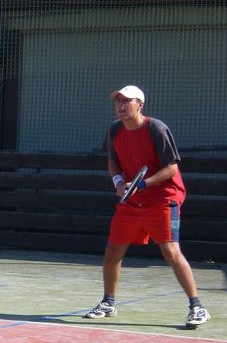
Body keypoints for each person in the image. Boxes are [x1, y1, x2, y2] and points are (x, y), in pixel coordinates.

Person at [85, 85, 210, 328]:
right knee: (113, 251)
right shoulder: (114, 129)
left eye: (127, 101)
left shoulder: (156, 129)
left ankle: (197, 307)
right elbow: (113, 160)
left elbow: (171, 168)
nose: (121, 105)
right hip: (132, 200)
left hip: (163, 197)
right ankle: (108, 302)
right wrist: (118, 181)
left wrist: (143, 183)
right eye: (118, 101)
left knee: (171, 251)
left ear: (140, 105)